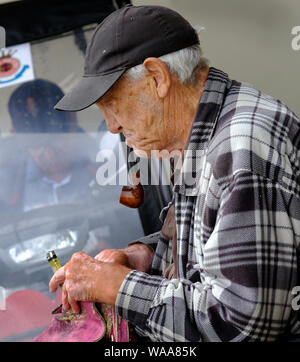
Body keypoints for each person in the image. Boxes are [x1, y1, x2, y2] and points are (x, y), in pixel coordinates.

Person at [49, 5, 300, 341]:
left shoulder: (242, 147)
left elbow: (239, 328)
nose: (111, 126)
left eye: (112, 103)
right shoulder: (200, 135)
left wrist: (118, 286)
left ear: (157, 77)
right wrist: (142, 256)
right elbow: (200, 244)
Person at [2, 79, 98, 213]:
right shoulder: (7, 189)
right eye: (36, 145)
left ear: (73, 120)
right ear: (17, 137)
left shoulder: (109, 164)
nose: (49, 155)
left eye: (56, 139)